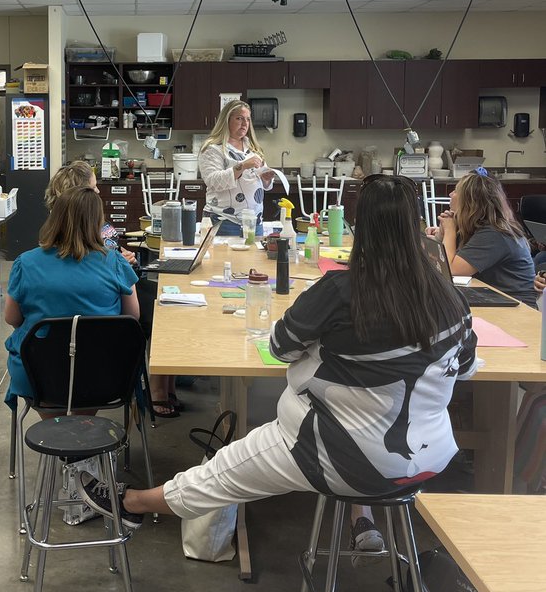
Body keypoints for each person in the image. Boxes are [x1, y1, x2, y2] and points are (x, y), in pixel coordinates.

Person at [78, 175, 478, 563]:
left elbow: (281, 347)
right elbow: (464, 367)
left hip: (335, 454)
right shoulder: (450, 298)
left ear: (362, 231)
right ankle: (362, 515)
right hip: (428, 457)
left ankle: (133, 503)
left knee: (223, 472)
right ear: (417, 228)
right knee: (369, 419)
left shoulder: (340, 291)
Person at [43, 162, 180, 416]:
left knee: (164, 297)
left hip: (112, 276)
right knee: (162, 311)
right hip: (105, 292)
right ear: (78, 196)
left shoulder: (91, 224)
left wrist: (122, 256)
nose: (98, 193)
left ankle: (170, 381)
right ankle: (160, 387)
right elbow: (92, 265)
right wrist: (119, 264)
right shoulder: (75, 226)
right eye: (93, 188)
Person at [4, 186, 139, 409]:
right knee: (84, 407)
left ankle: (55, 429)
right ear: (98, 222)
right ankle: (83, 427)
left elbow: (12, 318)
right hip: (104, 376)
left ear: (55, 218)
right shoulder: (116, 262)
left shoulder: (25, 263)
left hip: (39, 375)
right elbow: (131, 318)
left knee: (54, 411)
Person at [427, 171, 537, 307]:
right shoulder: (476, 227)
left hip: (517, 307)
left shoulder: (495, 233)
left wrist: (450, 231)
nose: (451, 194)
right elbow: (437, 258)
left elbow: (450, 269)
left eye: (456, 191)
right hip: (491, 298)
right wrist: (442, 234)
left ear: (470, 201)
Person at [198, 101, 273, 235]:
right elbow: (212, 181)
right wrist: (242, 166)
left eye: (248, 119)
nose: (245, 124)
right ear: (226, 120)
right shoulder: (213, 148)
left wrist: (266, 179)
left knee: (255, 256)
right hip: (224, 221)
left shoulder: (253, 148)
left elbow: (263, 182)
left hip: (254, 221)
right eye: (239, 118)